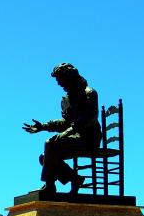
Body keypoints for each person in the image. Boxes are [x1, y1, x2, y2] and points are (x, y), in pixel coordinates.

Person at [22, 63, 101, 194]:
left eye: (61, 80)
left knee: (49, 145)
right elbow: (65, 122)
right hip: (74, 138)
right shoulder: (66, 99)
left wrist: (67, 132)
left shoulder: (89, 93)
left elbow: (89, 117)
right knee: (44, 157)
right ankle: (75, 179)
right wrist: (43, 126)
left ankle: (50, 186)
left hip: (89, 139)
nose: (59, 84)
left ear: (70, 77)